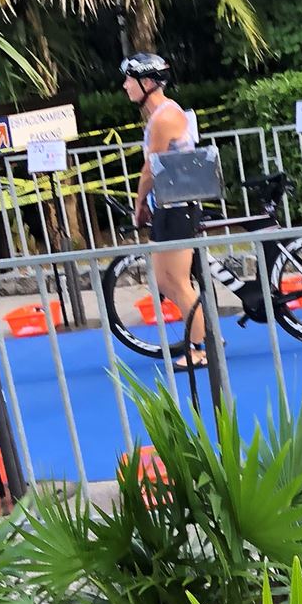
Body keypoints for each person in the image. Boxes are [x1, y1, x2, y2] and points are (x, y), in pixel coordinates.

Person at [121, 52, 205, 368]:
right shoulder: (158, 116)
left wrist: (139, 202)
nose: (125, 86)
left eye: (129, 79)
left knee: (179, 282)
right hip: (167, 206)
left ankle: (200, 348)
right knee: (163, 280)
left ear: (147, 82)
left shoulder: (165, 117)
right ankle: (202, 331)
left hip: (179, 207)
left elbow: (150, 169)